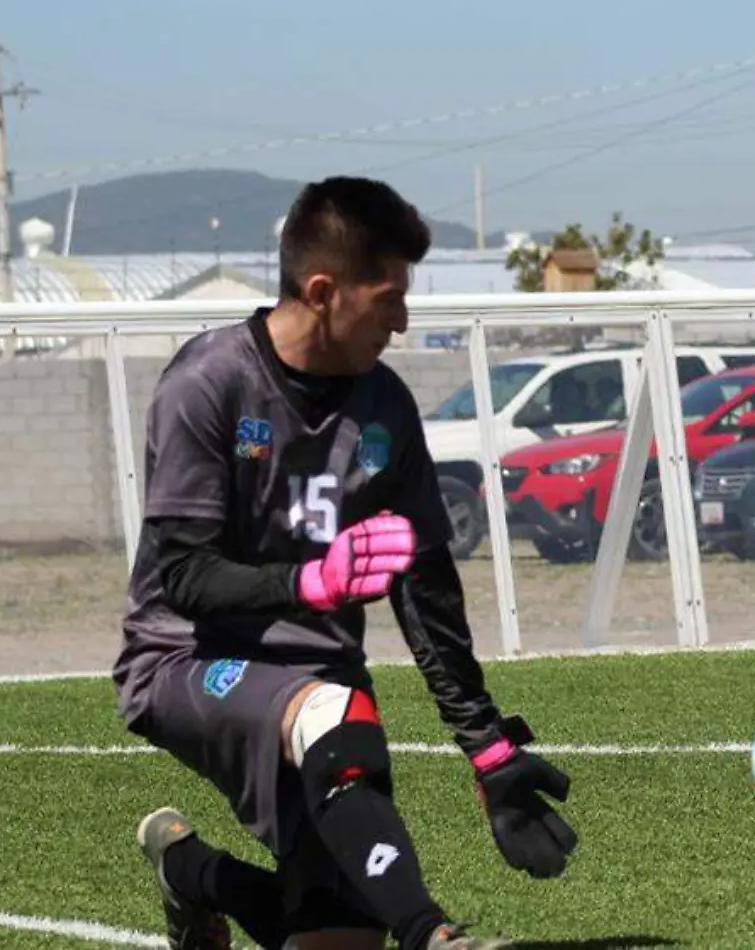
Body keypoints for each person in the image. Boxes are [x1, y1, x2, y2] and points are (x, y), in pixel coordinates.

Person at [111, 176, 577, 950]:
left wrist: (488, 746)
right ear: (323, 291)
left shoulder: (385, 405)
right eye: (388, 297)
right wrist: (311, 582)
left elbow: (424, 590)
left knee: (338, 936)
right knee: (331, 713)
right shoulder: (208, 385)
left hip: (323, 681)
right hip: (185, 660)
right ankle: (434, 936)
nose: (402, 320)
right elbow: (184, 579)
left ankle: (191, 874)